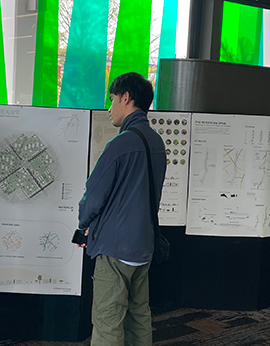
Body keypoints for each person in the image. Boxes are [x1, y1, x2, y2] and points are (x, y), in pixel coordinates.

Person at [77, 72, 167, 346]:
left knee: (108, 320)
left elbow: (93, 196)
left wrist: (84, 224)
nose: (110, 107)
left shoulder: (120, 144)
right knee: (139, 315)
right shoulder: (156, 142)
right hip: (144, 245)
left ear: (126, 98)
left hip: (115, 248)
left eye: (113, 99)